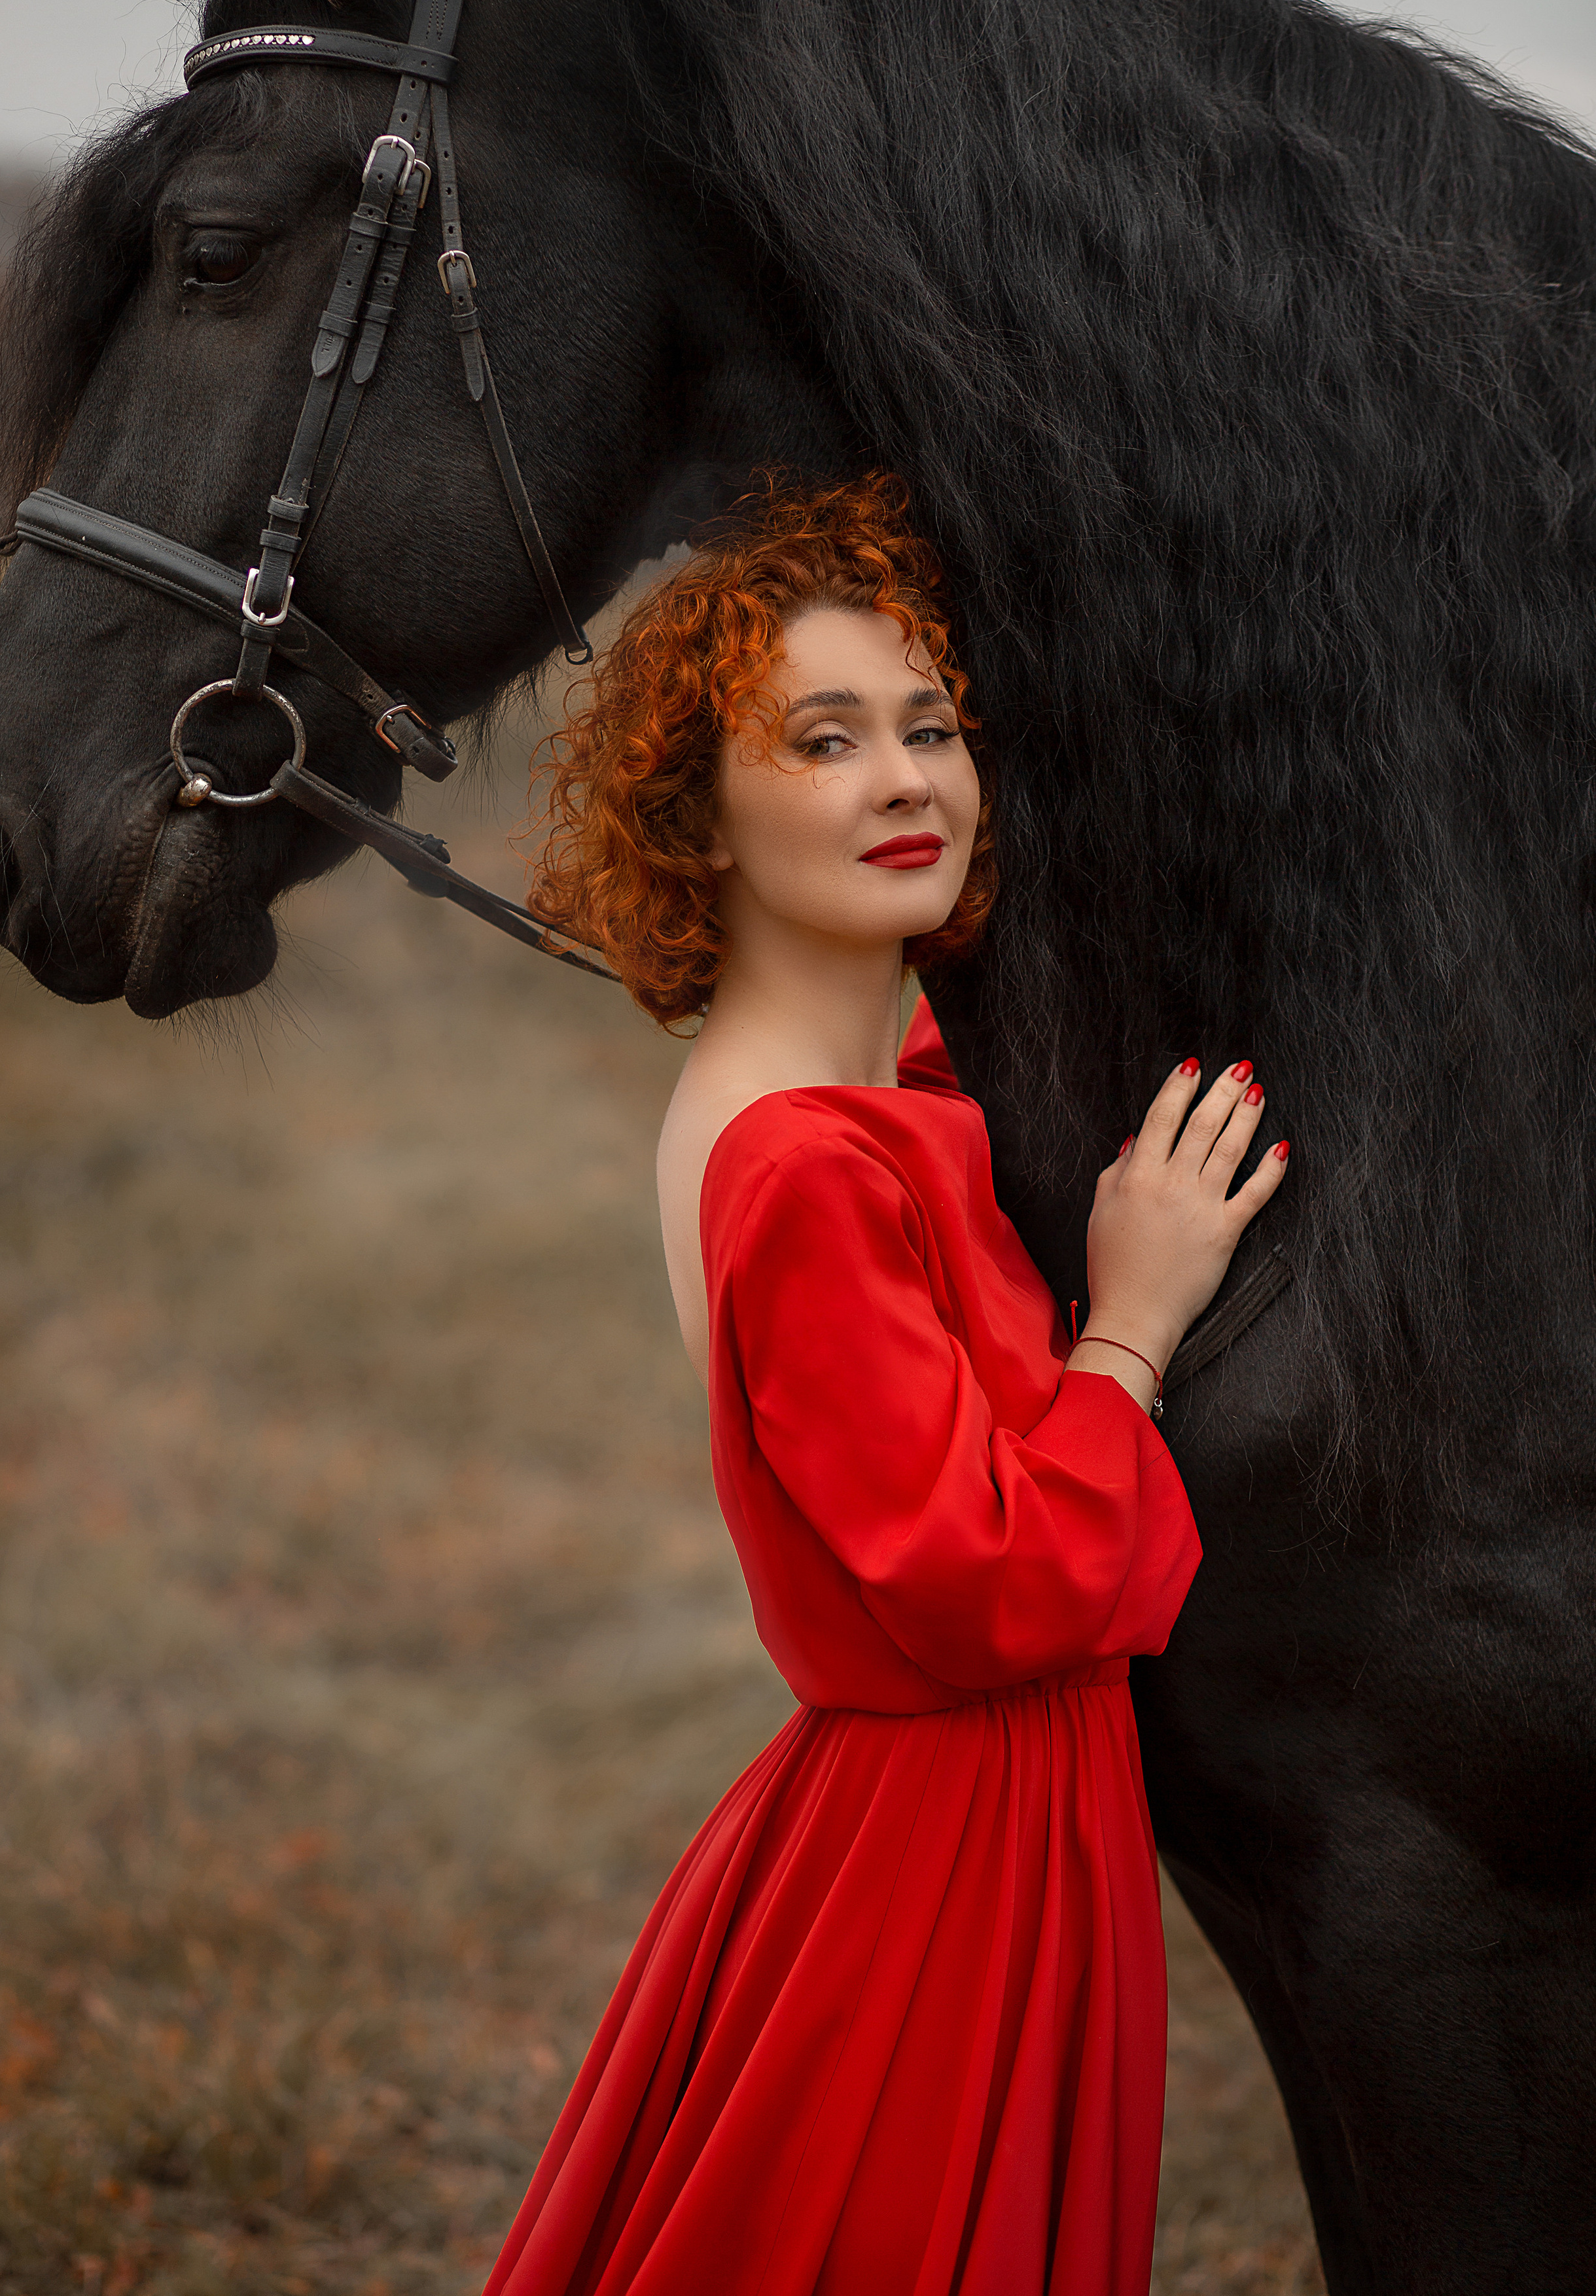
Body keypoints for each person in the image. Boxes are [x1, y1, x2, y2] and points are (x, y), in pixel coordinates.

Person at [487, 475, 1288, 2295]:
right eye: (826, 739)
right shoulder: (800, 1169)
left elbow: (924, 1090)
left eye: (931, 727)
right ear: (698, 808)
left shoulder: (875, 1094)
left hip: (990, 1835)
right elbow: (981, 1578)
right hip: (935, 1871)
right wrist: (1132, 1327)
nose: (906, 779)